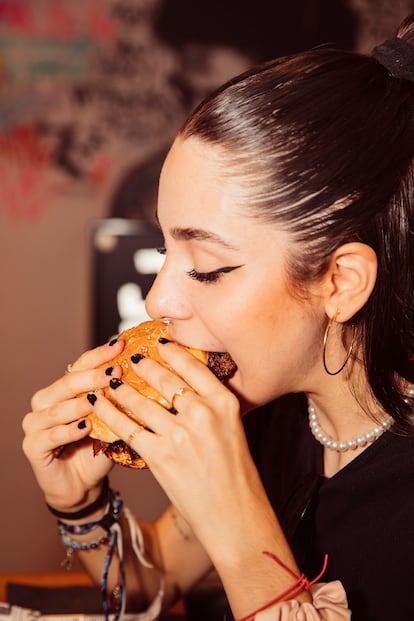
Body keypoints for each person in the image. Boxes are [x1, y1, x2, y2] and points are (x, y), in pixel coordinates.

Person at [22, 11, 414, 621]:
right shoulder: (275, 415)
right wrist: (82, 507)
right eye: (163, 251)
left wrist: (236, 520)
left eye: (206, 267)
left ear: (340, 282)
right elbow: (153, 586)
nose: (157, 303)